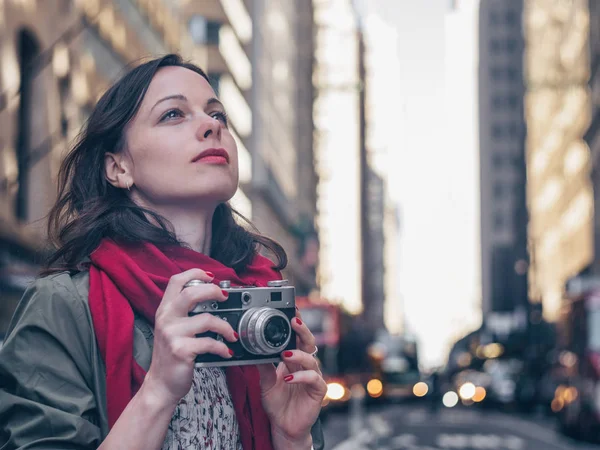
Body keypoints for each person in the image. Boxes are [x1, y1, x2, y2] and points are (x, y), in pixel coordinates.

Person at [0, 54, 326, 450]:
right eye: (173, 114)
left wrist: (293, 438)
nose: (211, 126)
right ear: (118, 168)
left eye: (217, 114)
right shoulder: (63, 305)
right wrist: (157, 392)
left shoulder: (262, 305)